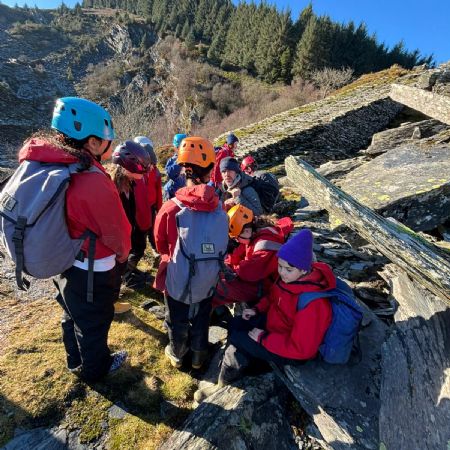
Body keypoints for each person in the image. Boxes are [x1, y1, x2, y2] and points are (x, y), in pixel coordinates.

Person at [18, 97, 131, 381]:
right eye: (106, 140)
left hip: (61, 256)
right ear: (92, 142)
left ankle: (74, 361)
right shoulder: (91, 180)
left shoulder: (48, 163)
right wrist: (122, 257)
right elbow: (117, 234)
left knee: (70, 312)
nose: (109, 145)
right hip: (92, 269)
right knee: (94, 323)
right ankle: (96, 371)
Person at [194, 229, 334, 402]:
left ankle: (221, 386)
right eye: (280, 266)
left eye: (288, 269)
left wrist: (263, 338)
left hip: (290, 349)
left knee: (238, 340)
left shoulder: (314, 304)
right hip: (275, 326)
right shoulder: (290, 279)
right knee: (236, 323)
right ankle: (247, 363)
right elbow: (273, 297)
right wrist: (257, 309)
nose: (282, 272)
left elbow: (301, 350)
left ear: (304, 270)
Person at [154, 136, 228, 370]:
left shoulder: (171, 208)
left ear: (183, 169)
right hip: (208, 277)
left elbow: (160, 244)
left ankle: (178, 355)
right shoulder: (219, 207)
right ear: (210, 171)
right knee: (202, 317)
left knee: (177, 320)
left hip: (178, 279)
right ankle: (198, 357)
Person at [212, 204, 293, 314]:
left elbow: (249, 272)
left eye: (236, 237)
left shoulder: (264, 244)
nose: (237, 240)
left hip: (264, 287)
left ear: (246, 231)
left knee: (216, 289)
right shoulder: (256, 234)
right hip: (259, 280)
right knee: (216, 280)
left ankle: (207, 317)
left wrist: (231, 269)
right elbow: (237, 254)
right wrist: (225, 265)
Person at [109, 141, 153, 296]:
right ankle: (118, 288)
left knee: (132, 252)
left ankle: (127, 274)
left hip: (129, 230)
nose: (145, 174)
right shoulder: (111, 187)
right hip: (114, 240)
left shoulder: (131, 183)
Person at [133, 136, 163, 262]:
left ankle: (155, 250)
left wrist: (159, 208)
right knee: (140, 232)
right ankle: (134, 257)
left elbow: (158, 190)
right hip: (138, 207)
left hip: (150, 206)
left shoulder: (154, 170)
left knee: (152, 230)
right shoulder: (134, 169)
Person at [163, 133, 187, 200]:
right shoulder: (173, 160)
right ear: (176, 148)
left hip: (185, 192)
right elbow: (169, 173)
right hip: (172, 192)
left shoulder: (191, 159)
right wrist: (179, 161)